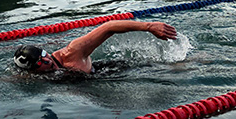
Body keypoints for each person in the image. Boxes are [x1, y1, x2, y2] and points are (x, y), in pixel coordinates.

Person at [12, 20, 178, 74]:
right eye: (41, 62)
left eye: (45, 55)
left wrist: (149, 27)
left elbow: (109, 27)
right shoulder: (33, 75)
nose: (48, 60)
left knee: (168, 67)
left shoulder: (73, 52)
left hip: (111, 72)